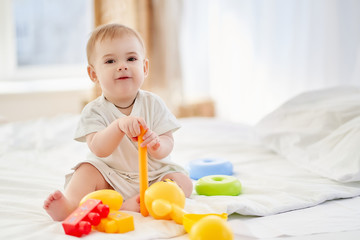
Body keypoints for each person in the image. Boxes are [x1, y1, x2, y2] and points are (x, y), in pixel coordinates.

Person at [43, 23, 193, 221]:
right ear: (93, 74)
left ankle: (151, 200)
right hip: (111, 177)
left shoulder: (153, 103)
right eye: (110, 61)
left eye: (131, 58)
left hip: (153, 176)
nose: (122, 65)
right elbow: (99, 149)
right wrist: (118, 126)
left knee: (183, 182)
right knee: (87, 170)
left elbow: (168, 141)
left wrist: (156, 144)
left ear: (144, 67)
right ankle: (71, 205)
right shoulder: (93, 110)